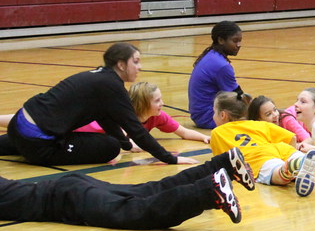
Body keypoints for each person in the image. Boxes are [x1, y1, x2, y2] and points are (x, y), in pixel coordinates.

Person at [0, 43, 197, 167]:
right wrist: (169, 158)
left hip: (18, 126)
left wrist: (127, 145)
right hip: (39, 144)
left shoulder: (101, 78)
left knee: (112, 141)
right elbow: (136, 129)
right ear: (121, 64)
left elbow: (105, 117)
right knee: (109, 147)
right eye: (135, 62)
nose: (140, 67)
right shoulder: (112, 86)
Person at [0, 148, 255, 228]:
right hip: (67, 186)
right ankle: (222, 165)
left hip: (64, 201)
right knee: (145, 191)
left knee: (134, 211)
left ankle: (208, 191)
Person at [209, 91, 315, 196]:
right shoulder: (258, 124)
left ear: (223, 115)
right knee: (314, 164)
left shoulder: (217, 133)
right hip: (281, 149)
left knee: (281, 175)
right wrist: (293, 151)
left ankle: (298, 165)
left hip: (257, 159)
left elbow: (222, 162)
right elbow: (291, 138)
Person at [75, 82, 210, 148]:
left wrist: (204, 137)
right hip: (80, 131)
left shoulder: (158, 116)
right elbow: (130, 144)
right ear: (143, 104)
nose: (162, 103)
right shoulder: (123, 117)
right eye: (157, 101)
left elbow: (184, 132)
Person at [189, 21, 244, 129]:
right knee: (262, 117)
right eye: (235, 41)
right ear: (221, 40)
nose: (239, 45)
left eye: (240, 41)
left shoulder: (211, 55)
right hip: (209, 117)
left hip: (199, 115)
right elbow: (238, 97)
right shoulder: (222, 65)